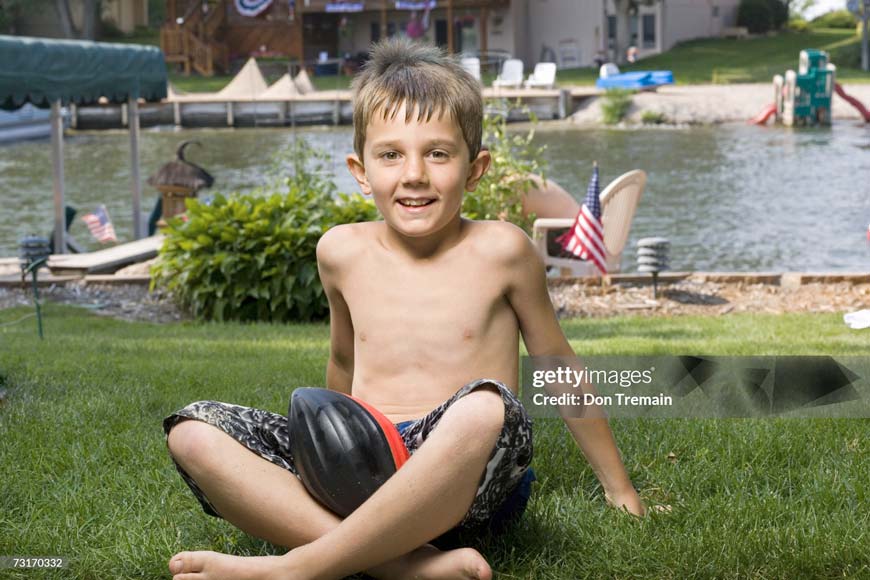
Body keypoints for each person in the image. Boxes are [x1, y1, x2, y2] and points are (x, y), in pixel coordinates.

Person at [163, 38, 646, 580]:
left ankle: (298, 567)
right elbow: (342, 364)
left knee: (486, 406)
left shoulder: (503, 251)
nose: (414, 173)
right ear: (361, 170)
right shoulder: (340, 252)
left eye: (437, 153)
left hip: (468, 477)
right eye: (391, 155)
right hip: (363, 462)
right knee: (192, 432)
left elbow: (558, 367)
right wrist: (323, 455)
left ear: (475, 169)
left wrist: (619, 488)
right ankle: (403, 567)